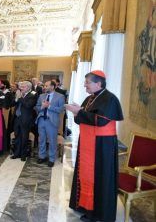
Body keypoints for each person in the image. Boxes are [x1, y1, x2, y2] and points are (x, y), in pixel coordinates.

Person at [65, 70, 123, 222]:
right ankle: (83, 205)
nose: (85, 85)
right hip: (88, 142)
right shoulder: (89, 98)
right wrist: (77, 113)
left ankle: (98, 213)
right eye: (85, 82)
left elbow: (101, 121)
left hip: (102, 146)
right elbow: (80, 120)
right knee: (84, 175)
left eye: (87, 82)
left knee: (99, 177)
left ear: (99, 83)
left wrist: (80, 112)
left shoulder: (109, 99)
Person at [35, 81, 65, 167]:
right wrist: (42, 107)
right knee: (41, 139)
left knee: (52, 141)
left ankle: (51, 159)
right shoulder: (41, 96)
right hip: (41, 120)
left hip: (51, 121)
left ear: (52, 86)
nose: (44, 87)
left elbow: (61, 110)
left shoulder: (60, 96)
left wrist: (49, 106)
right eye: (44, 85)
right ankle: (42, 156)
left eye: (46, 86)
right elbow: (36, 107)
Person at [8, 81, 36, 161]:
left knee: (24, 137)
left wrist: (20, 98)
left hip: (26, 119)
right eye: (21, 86)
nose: (21, 88)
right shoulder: (19, 94)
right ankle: (16, 153)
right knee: (17, 136)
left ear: (28, 87)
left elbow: (28, 105)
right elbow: (12, 104)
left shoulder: (33, 95)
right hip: (17, 118)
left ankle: (23, 155)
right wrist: (16, 98)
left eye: (23, 87)